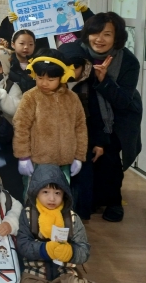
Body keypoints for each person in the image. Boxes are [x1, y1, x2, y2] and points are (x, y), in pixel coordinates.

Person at [81, 12, 142, 223]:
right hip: (87, 113)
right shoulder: (79, 54)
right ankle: (92, 197)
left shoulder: (128, 61)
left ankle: (114, 201)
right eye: (95, 33)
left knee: (110, 158)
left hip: (118, 115)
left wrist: (104, 80)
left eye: (107, 34)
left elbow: (123, 100)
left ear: (116, 37)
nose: (99, 39)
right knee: (87, 156)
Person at [12, 49, 88, 189]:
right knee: (35, 193)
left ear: (62, 78)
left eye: (50, 79)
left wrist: (79, 156)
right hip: (37, 161)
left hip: (65, 161)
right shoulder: (30, 97)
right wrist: (23, 156)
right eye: (40, 78)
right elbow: (21, 127)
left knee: (60, 194)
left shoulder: (72, 98)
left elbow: (80, 128)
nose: (44, 83)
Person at [16, 164, 90, 282]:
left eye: (57, 193)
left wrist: (71, 252)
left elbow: (84, 250)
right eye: (45, 192)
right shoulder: (28, 215)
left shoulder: (72, 218)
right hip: (34, 273)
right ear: (36, 192)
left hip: (66, 274)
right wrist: (44, 249)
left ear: (64, 194)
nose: (52, 198)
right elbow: (22, 245)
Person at [57, 42, 97, 220]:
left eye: (76, 66)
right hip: (59, 141)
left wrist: (100, 142)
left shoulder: (89, 86)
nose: (72, 71)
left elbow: (97, 117)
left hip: (83, 141)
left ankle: (80, 214)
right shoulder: (53, 85)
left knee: (83, 178)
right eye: (67, 66)